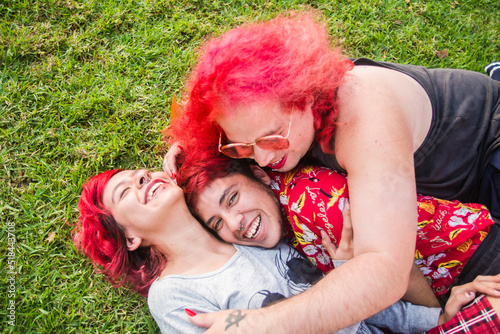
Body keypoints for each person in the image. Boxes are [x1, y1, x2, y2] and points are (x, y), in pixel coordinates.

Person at [163, 11, 500, 333]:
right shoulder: (276, 123)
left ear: (307, 95)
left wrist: (259, 324)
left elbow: (385, 270)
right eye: (243, 146)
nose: (263, 159)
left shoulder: (365, 114)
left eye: (274, 138)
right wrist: (192, 153)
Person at [72, 168, 485, 334]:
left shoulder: (257, 237)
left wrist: (436, 319)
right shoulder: (173, 294)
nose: (144, 180)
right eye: (128, 189)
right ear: (129, 237)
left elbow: (354, 305)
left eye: (144, 173)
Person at [178, 154, 499, 306]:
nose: (235, 223)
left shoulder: (311, 200)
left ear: (260, 176)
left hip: (475, 262)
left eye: (232, 198)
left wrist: (440, 323)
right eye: (218, 222)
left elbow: (396, 267)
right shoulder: (274, 213)